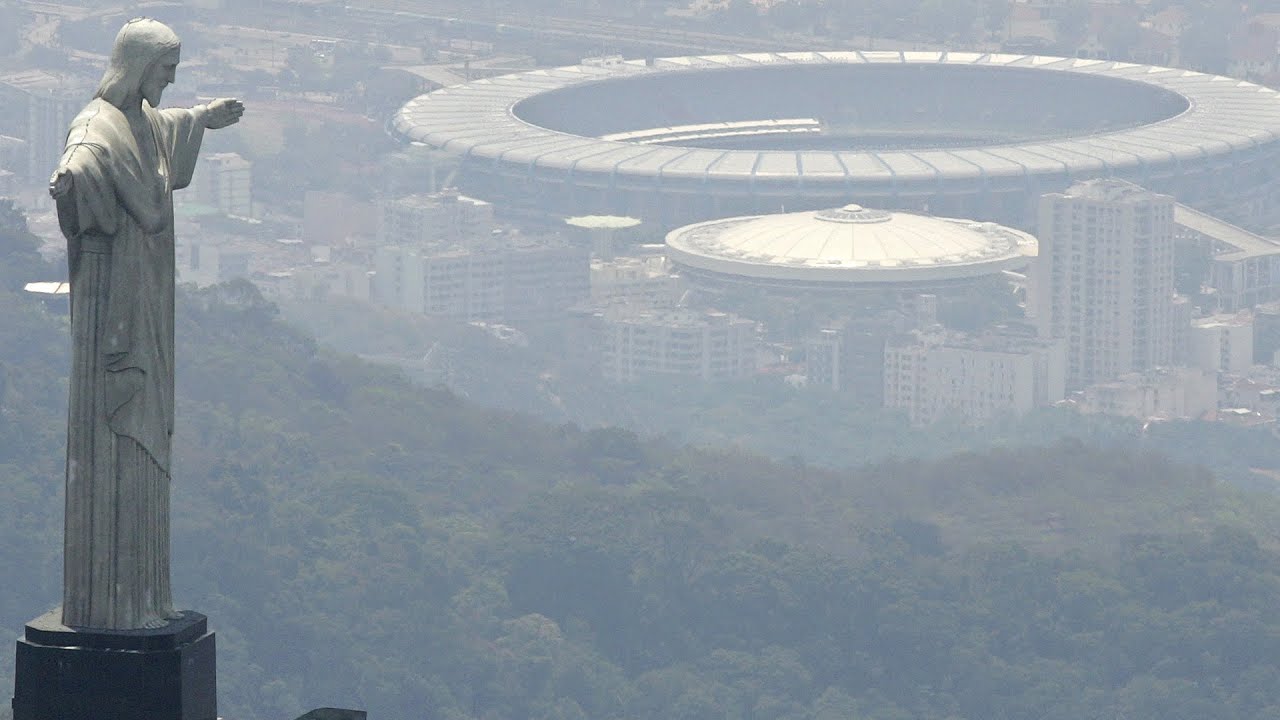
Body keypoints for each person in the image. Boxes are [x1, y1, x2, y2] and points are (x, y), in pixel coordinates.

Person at [49, 18, 243, 630]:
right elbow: (81, 161)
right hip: (115, 300)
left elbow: (161, 128)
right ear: (136, 67)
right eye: (164, 70)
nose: (171, 79)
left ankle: (144, 598)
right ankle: (108, 604)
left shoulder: (141, 120)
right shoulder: (96, 126)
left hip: (147, 289)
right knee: (113, 437)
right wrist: (73, 178)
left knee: (148, 436)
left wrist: (203, 116)